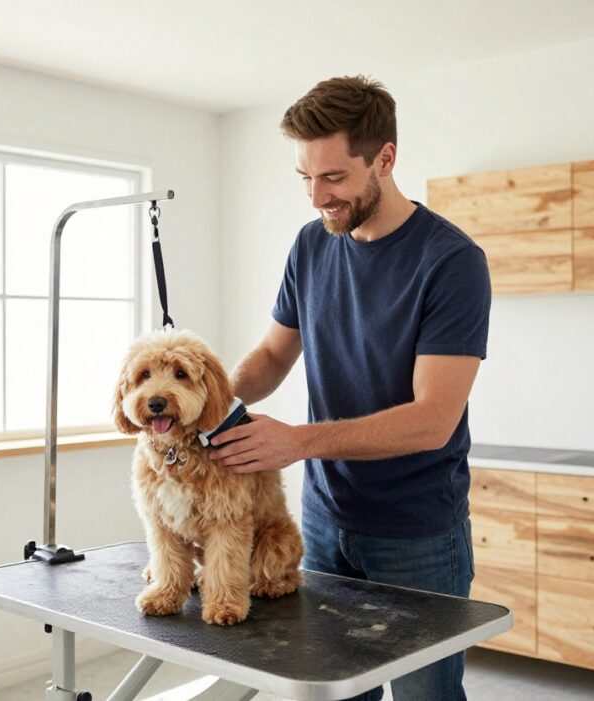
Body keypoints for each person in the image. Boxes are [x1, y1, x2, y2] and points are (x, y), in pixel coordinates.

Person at [209, 75, 491, 700]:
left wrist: (297, 442)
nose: (317, 197)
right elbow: (272, 357)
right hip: (323, 521)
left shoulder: (451, 261)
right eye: (305, 178)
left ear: (384, 159)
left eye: (333, 178)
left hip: (417, 533)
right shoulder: (312, 245)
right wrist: (206, 398)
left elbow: (433, 420)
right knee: (331, 693)